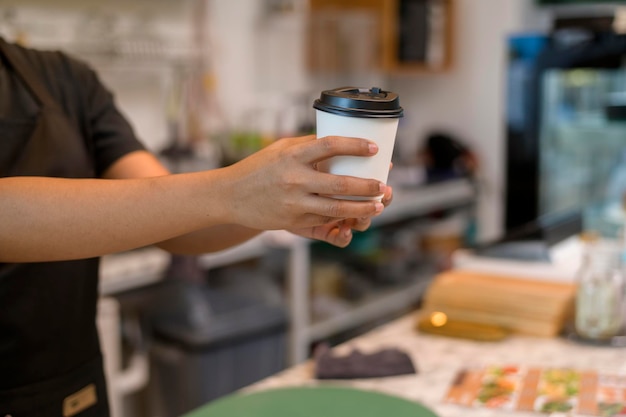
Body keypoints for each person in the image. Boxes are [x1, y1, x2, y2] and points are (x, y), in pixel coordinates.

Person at [0, 37, 393, 416]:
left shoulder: (66, 80)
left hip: (70, 388)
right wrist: (232, 191)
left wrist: (282, 203)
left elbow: (178, 226)